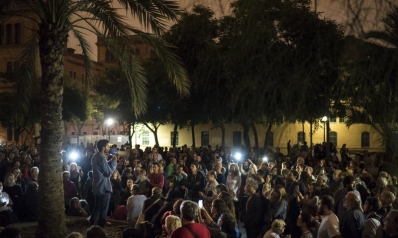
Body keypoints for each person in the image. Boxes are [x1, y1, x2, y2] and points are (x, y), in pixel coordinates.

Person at [89, 139, 118, 228]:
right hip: (103, 187)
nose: (109, 147)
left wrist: (109, 161)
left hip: (97, 186)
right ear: (103, 147)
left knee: (97, 207)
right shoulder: (101, 157)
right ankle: (101, 228)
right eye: (108, 146)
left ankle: (92, 225)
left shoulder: (95, 156)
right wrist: (114, 162)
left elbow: (102, 167)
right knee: (103, 209)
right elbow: (108, 173)